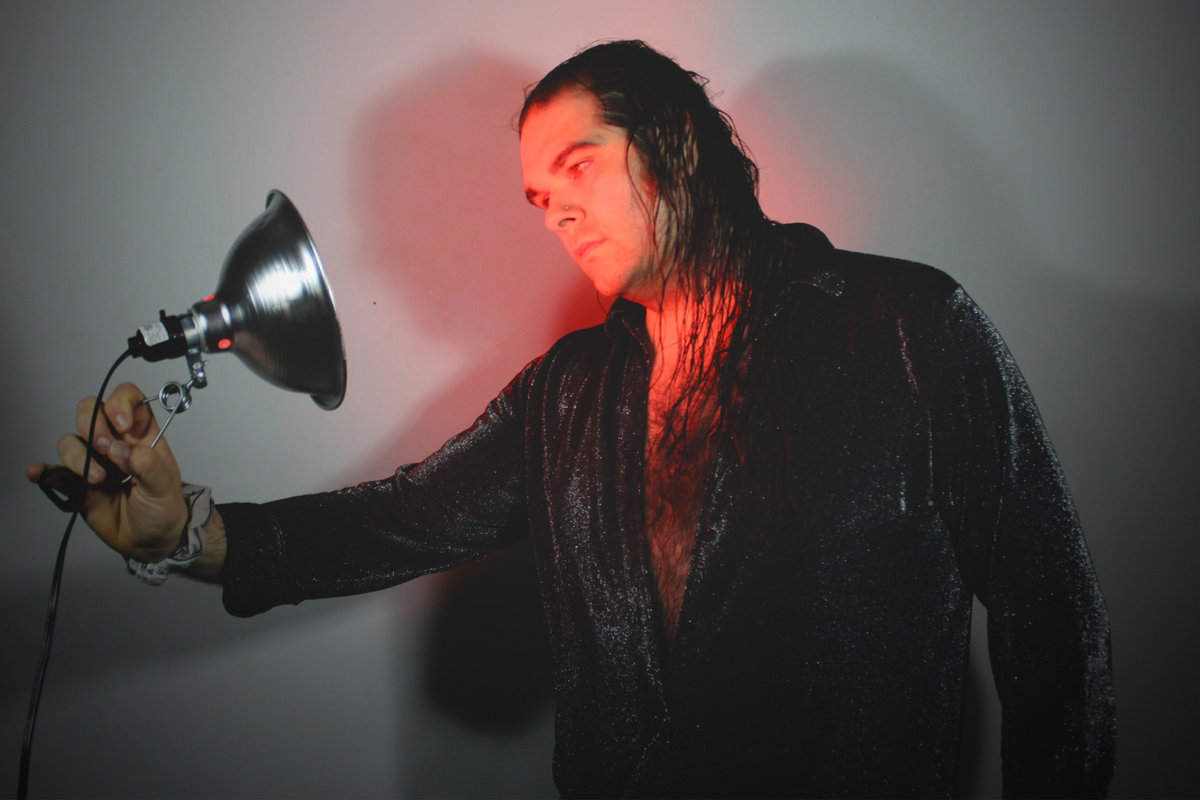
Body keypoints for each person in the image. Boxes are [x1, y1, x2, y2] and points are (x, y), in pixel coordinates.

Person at [30, 40, 1114, 797]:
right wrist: (187, 533)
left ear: (675, 144)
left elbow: (1051, 610)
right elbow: (407, 517)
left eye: (578, 168)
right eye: (540, 201)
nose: (558, 215)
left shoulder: (908, 325)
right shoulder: (569, 389)